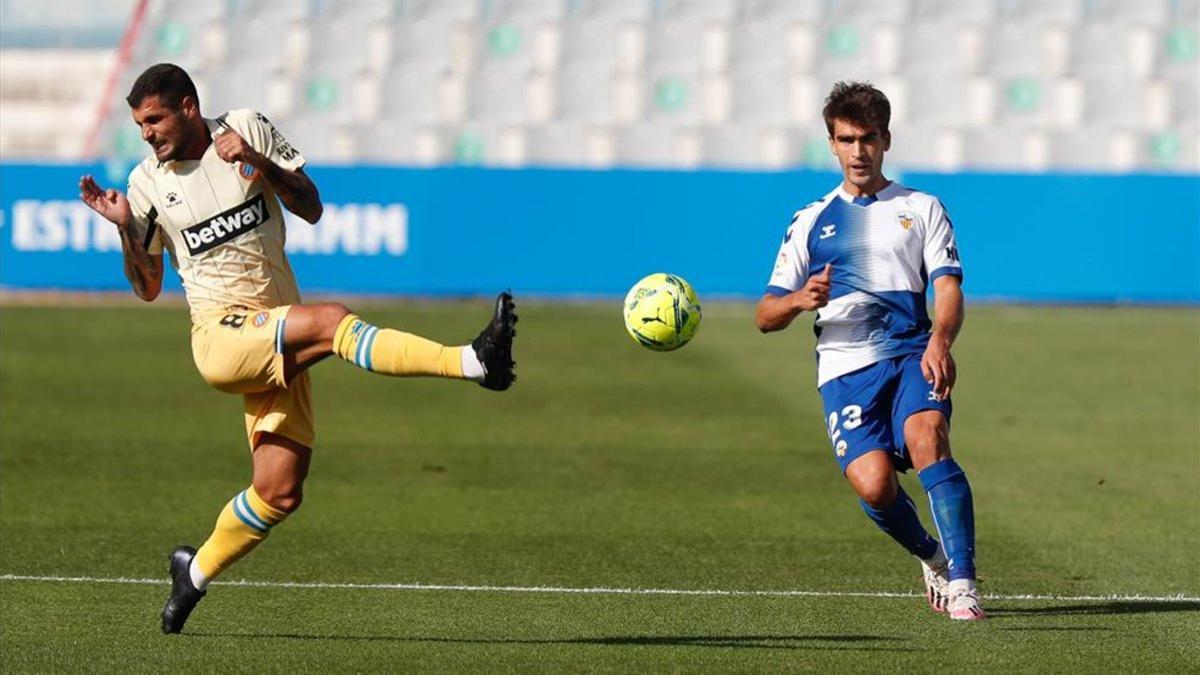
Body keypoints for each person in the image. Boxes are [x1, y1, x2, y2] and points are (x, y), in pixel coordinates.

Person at [78, 63, 518, 634]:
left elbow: (311, 206)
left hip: (274, 327)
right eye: (139, 125)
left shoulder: (246, 127)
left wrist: (256, 162)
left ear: (188, 106)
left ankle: (195, 573)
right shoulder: (144, 185)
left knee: (279, 491)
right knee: (334, 322)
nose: (147, 135)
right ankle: (474, 361)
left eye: (155, 120)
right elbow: (148, 287)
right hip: (221, 337)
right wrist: (122, 227)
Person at [756, 81, 983, 620]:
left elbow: (948, 288)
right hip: (844, 368)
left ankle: (965, 579)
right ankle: (931, 555)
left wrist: (940, 340)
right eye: (847, 139)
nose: (859, 151)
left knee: (927, 434)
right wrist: (797, 300)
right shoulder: (809, 221)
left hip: (910, 353)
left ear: (886, 140)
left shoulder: (921, 207)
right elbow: (765, 316)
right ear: (831, 144)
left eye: (869, 139)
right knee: (874, 484)